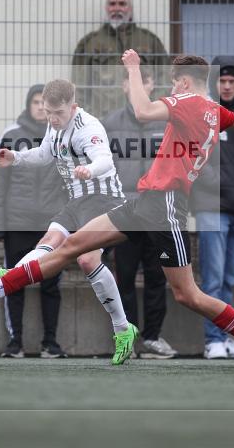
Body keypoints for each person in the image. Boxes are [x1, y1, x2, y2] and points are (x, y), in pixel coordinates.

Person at [0, 51, 234, 369]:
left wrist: (134, 67)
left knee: (188, 295)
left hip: (167, 207)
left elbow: (142, 111)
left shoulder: (188, 102)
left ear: (186, 83)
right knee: (72, 247)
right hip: (144, 202)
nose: (171, 87)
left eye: (174, 82)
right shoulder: (216, 112)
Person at [0, 79, 136, 365]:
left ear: (73, 106)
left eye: (58, 113)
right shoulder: (53, 125)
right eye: (48, 112)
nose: (53, 119)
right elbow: (44, 155)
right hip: (76, 202)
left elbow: (105, 160)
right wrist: (15, 157)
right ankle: (4, 282)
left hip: (105, 200)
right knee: (48, 242)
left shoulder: (87, 128)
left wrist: (88, 170)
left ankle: (122, 329)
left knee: (88, 261)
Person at [0, 85, 69, 358]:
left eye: (43, 103)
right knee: (14, 282)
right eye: (35, 102)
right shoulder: (11, 136)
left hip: (51, 226)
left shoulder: (61, 137)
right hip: (17, 223)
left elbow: (71, 181)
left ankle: (51, 343)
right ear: (29, 105)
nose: (39, 108)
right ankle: (15, 343)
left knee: (51, 284)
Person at [103, 68, 176, 359]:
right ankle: (128, 337)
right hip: (126, 214)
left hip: (158, 214)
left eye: (144, 81)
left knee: (158, 277)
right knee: (125, 278)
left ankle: (153, 338)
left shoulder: (167, 120)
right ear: (124, 86)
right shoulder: (110, 124)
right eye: (132, 81)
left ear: (151, 85)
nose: (138, 86)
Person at [191, 56, 234, 359]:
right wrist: (216, 183)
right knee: (213, 278)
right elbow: (193, 157)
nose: (228, 86)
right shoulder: (201, 114)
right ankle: (212, 340)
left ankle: (228, 336)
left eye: (233, 81)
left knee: (230, 278)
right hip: (211, 207)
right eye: (222, 81)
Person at [72, 0, 171, 118]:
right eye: (112, 4)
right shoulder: (89, 43)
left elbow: (165, 79)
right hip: (103, 119)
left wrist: (151, 110)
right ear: (106, 8)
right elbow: (79, 86)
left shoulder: (149, 40)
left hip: (143, 119)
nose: (117, 8)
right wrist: (91, 117)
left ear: (130, 8)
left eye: (122, 4)